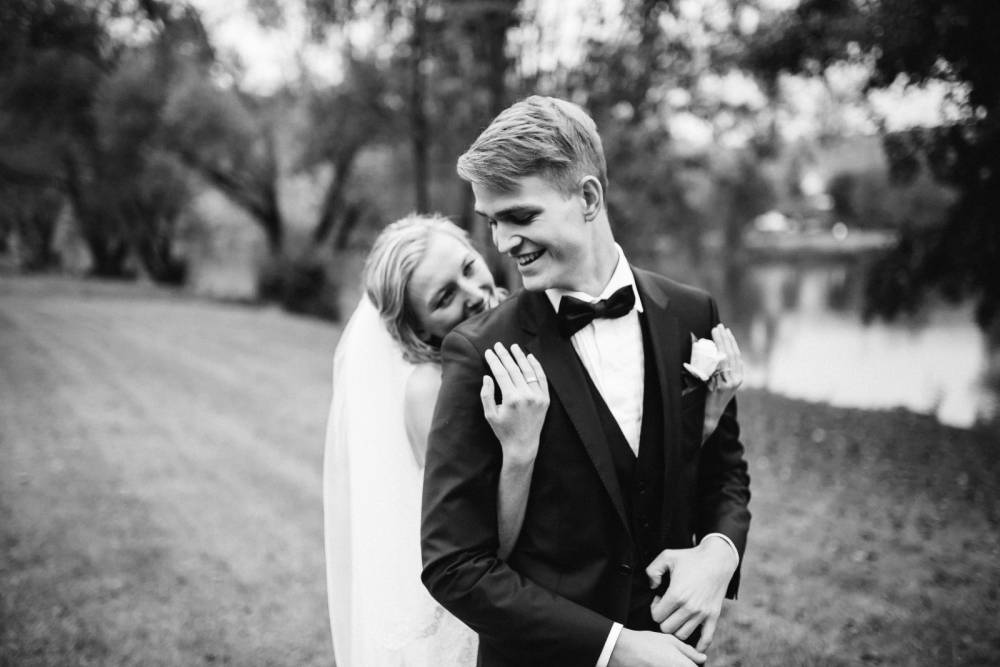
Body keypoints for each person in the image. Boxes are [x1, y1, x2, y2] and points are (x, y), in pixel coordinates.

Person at [420, 96, 751, 667]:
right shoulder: (480, 353)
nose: (502, 242)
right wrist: (616, 648)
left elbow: (724, 473)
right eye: (493, 222)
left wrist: (720, 554)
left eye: (520, 217)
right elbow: (454, 565)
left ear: (589, 198)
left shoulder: (691, 313)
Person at [323, 215, 549, 667]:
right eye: (444, 297)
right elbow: (477, 548)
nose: (474, 293)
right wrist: (519, 451)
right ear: (420, 330)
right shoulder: (431, 391)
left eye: (468, 267)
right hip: (486, 623)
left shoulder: (528, 324)